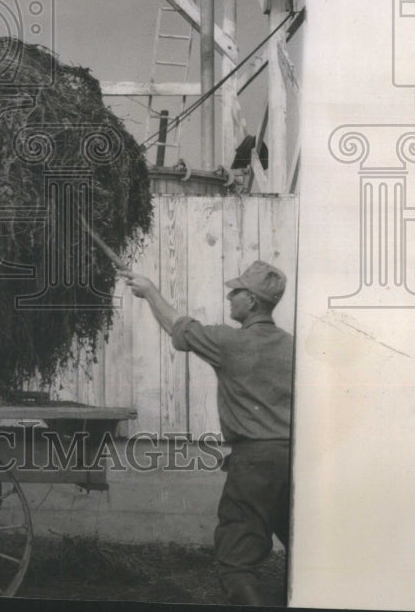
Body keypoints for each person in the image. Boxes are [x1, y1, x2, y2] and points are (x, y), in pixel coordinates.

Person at [121, 260, 293, 607]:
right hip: (294, 460)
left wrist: (150, 291)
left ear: (253, 302)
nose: (230, 296)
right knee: (302, 550)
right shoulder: (293, 346)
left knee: (235, 561)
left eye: (237, 291)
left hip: (254, 464)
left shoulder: (230, 343)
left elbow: (178, 327)